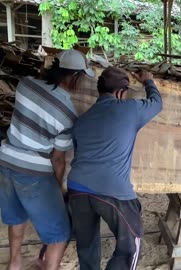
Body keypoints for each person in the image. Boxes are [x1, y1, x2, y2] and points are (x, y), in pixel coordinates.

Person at [0, 49, 94, 270]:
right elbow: (58, 159)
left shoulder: (25, 85)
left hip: (6, 161)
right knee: (59, 233)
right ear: (74, 77)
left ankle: (14, 264)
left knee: (16, 216)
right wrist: (58, 187)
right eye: (81, 78)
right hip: (33, 172)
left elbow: (41, 80)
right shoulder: (67, 114)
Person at [67, 67, 162, 270]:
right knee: (131, 244)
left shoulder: (82, 120)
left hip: (76, 187)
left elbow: (78, 153)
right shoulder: (129, 109)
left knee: (87, 246)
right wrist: (148, 81)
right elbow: (156, 104)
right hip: (112, 190)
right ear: (120, 92)